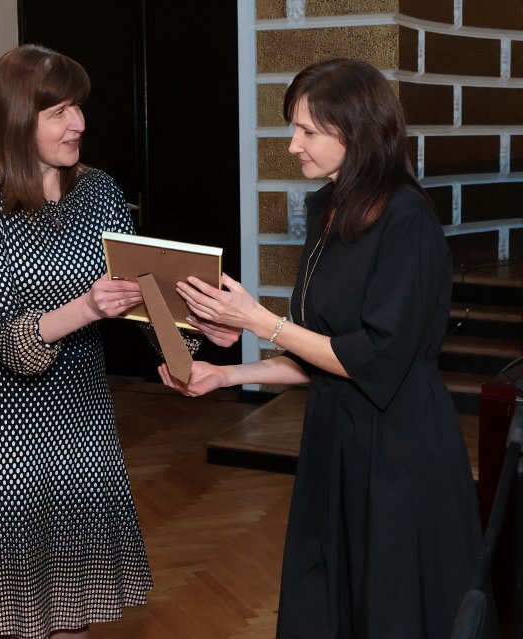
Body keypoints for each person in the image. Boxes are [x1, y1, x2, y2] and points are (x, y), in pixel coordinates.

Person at [159, 58, 488, 638]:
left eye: (307, 130)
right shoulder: (328, 208)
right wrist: (225, 375)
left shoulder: (406, 218)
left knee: (392, 607)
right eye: (294, 128)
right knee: (333, 600)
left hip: (400, 450)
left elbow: (372, 360)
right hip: (335, 436)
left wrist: (259, 318)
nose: (292, 146)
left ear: (357, 132)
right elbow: (323, 353)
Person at [0, 44, 160, 639]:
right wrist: (88, 307)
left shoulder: (100, 190)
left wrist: (189, 354)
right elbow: (8, 338)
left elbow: (141, 291)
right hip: (5, 413)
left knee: (75, 585)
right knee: (23, 596)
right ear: (20, 118)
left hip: (81, 396)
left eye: (79, 108)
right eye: (60, 112)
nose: (80, 124)